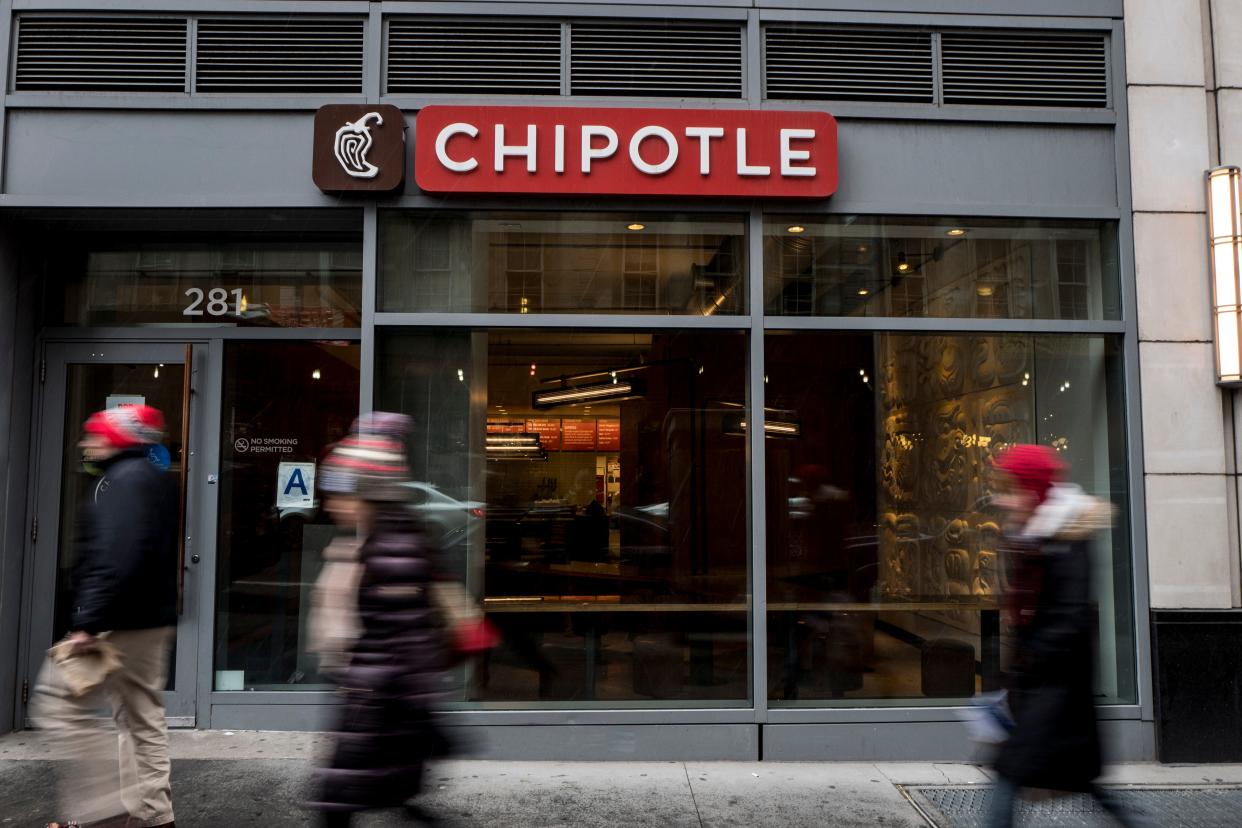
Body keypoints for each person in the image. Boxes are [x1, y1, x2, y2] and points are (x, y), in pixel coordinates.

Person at [985, 444, 1149, 828]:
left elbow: (1070, 618)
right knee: (1082, 783)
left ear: (1032, 491)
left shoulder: (1065, 540)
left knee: (1010, 772)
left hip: (1057, 691)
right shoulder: (1037, 537)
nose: (1003, 500)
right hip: (1044, 687)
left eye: (1011, 489)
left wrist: (1031, 661)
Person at [33, 404, 178, 828]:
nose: (85, 442)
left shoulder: (123, 481)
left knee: (57, 705)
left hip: (115, 623)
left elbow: (115, 556)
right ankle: (153, 815)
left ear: (117, 438)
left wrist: (88, 623)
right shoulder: (152, 477)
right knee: (141, 719)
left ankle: (103, 809)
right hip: (147, 619)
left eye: (93, 434)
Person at [307, 413, 449, 827]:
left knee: (340, 797)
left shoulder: (388, 545)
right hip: (377, 694)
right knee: (381, 791)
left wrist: (361, 685)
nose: (330, 504)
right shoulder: (372, 537)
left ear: (367, 494)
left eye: (340, 493)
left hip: (376, 697)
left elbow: (399, 632)